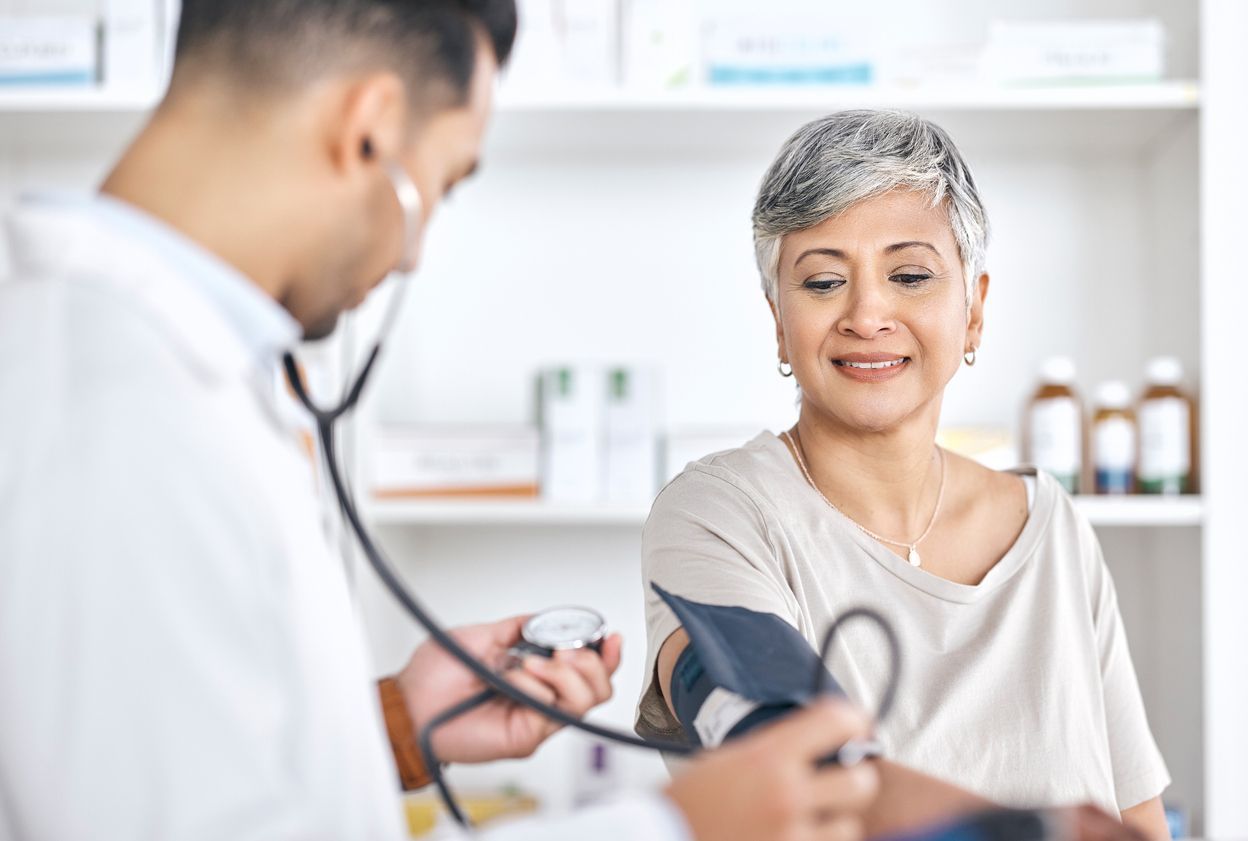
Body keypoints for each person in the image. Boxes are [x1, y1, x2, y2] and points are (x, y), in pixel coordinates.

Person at [0, 2, 883, 840]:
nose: (412, 248)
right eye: (442, 181)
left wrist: (392, 720)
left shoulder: (145, 359)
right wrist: (675, 825)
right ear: (370, 130)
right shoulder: (116, 404)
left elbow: (191, 770)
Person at [637, 110, 1171, 840]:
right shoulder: (718, 514)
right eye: (823, 281)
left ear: (974, 309)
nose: (867, 313)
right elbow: (784, 758)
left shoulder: (1052, 526)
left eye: (910, 275)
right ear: (777, 321)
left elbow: (1136, 812)